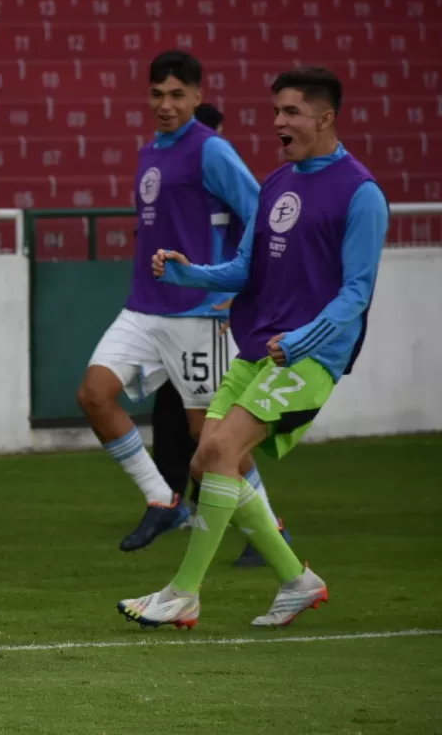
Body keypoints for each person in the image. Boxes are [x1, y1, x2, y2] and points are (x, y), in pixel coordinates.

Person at [120, 66, 388, 629]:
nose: (279, 123)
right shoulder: (276, 184)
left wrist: (302, 339)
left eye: (290, 112)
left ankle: (183, 592)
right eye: (275, 113)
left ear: (325, 116)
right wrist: (188, 274)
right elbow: (246, 267)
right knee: (210, 457)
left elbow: (356, 293)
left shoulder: (361, 193)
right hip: (259, 350)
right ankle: (296, 579)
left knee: (219, 453)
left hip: (312, 356)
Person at [76, 52, 261, 552]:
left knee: (210, 434)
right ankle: (164, 500)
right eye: (157, 94)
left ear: (199, 97)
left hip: (198, 312)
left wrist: (233, 288)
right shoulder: (150, 151)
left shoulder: (212, 150)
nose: (166, 104)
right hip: (143, 307)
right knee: (94, 395)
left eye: (178, 94)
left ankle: (271, 528)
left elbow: (258, 214)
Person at [150, 103, 289, 567]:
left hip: (214, 316)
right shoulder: (171, 169)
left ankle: (265, 528)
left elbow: (252, 257)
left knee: (209, 439)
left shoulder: (229, 182)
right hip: (184, 309)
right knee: (195, 438)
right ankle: (185, 508)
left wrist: (240, 295)